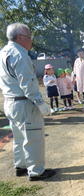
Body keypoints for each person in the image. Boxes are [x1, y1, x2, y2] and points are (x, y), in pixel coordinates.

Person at [0, 22, 55, 181]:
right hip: (24, 103)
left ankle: (21, 166)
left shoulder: (3, 52)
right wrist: (40, 103)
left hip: (10, 101)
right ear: (20, 37)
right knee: (33, 138)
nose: (31, 40)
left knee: (19, 137)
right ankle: (36, 171)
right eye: (29, 37)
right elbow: (28, 83)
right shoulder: (20, 54)